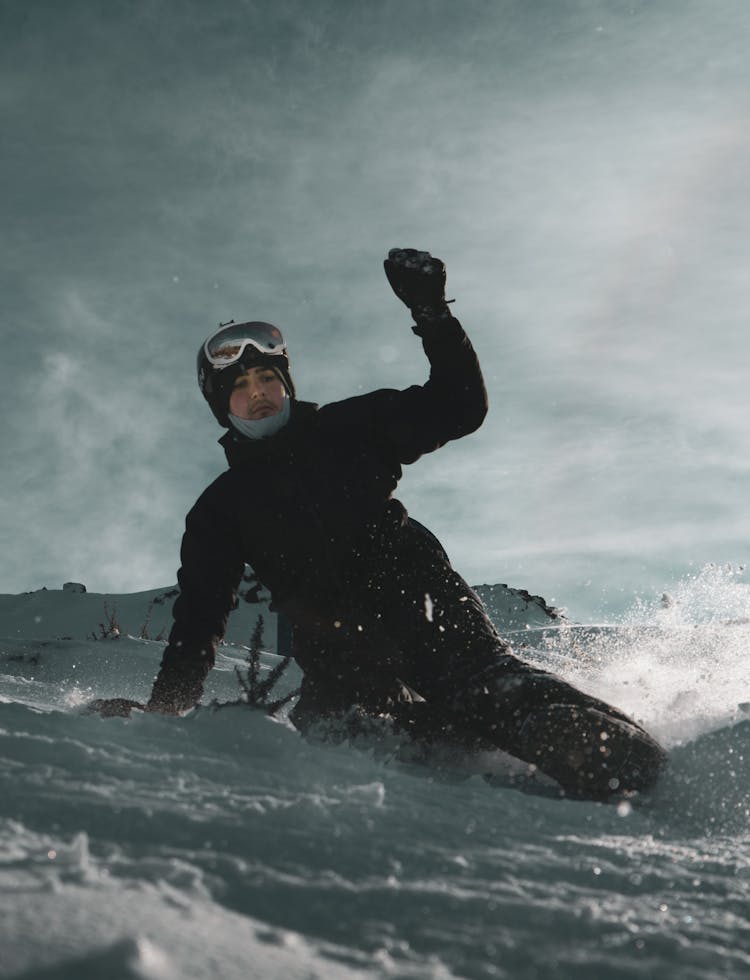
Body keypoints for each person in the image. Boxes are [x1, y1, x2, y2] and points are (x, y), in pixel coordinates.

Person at [108, 248, 666, 801]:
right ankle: (460, 745)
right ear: (220, 404)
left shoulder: (346, 428)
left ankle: (624, 758)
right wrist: (164, 711)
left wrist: (434, 318)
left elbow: (459, 407)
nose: (257, 394)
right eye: (239, 386)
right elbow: (199, 620)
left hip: (421, 606)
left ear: (286, 384)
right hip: (340, 655)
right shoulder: (220, 509)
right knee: (340, 737)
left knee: (481, 690)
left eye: (266, 378)